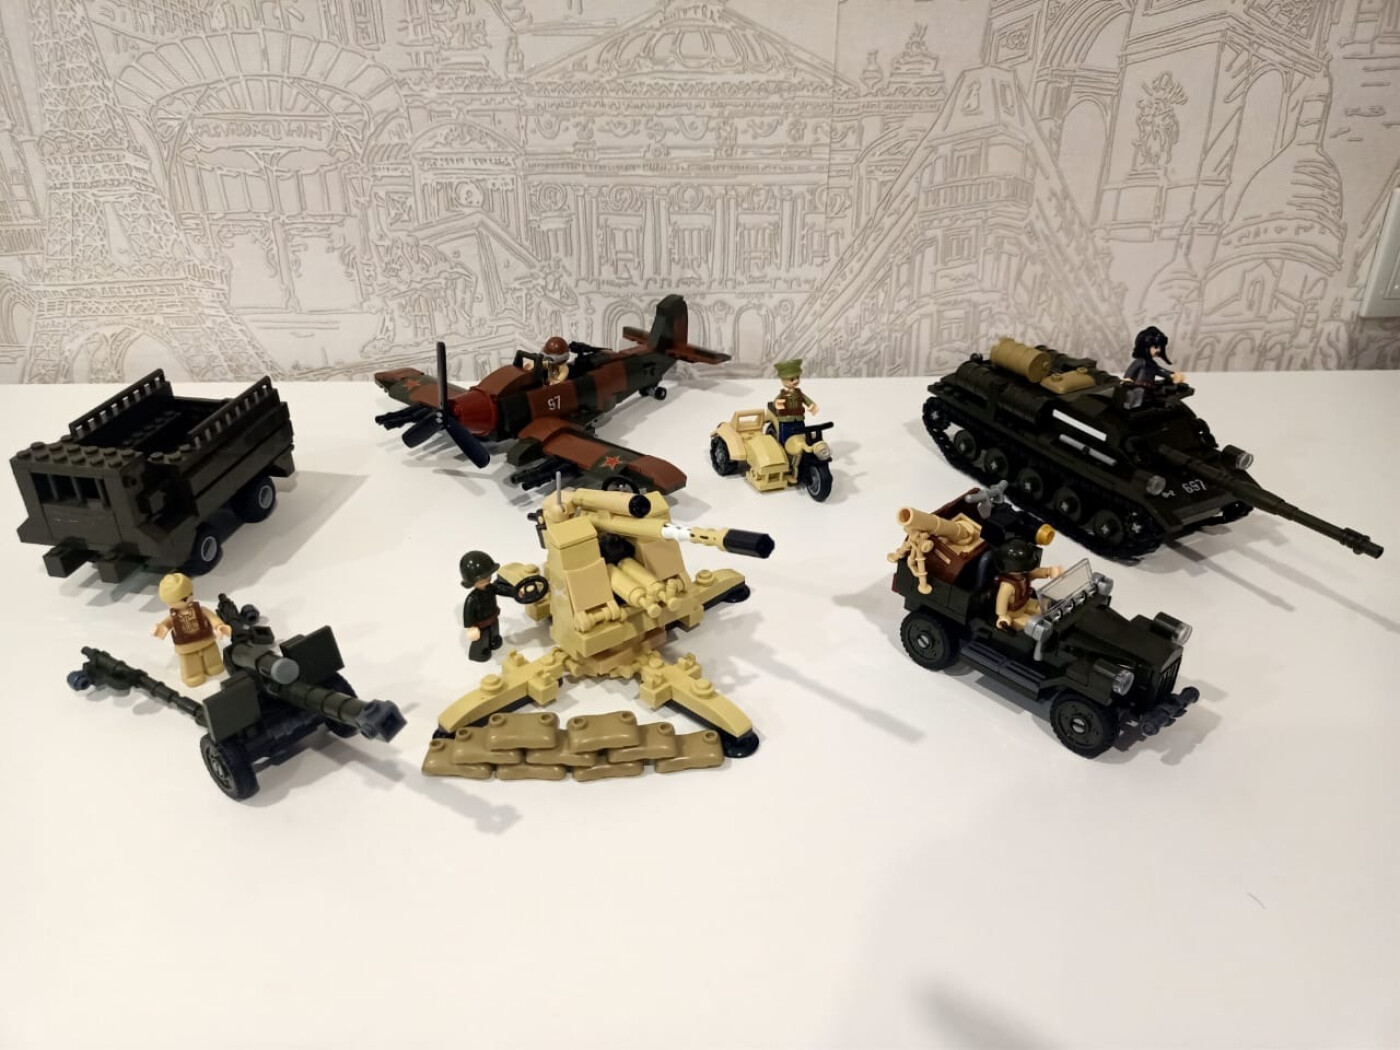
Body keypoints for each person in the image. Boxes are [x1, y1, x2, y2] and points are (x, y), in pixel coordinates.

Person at [152, 573, 232, 687]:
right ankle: (192, 675)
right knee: (190, 663)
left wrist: (219, 626)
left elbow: (212, 618)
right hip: (186, 646)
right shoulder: (173, 616)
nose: (187, 599)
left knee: (212, 656)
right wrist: (160, 628)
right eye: (182, 599)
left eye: (190, 594)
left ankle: (213, 666)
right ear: (169, 602)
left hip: (206, 639)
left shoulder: (200, 609)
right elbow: (166, 624)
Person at [993, 539, 1063, 631]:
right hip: (1014, 613)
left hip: (1026, 602)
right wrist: (1002, 616)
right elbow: (1001, 601)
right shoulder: (1007, 586)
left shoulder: (1024, 574)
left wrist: (1048, 571)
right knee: (1033, 625)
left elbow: (1035, 572)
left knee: (1046, 606)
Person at [460, 550, 516, 662]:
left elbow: (502, 589)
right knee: (482, 638)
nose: (486, 580)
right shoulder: (472, 598)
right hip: (481, 624)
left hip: (493, 618)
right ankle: (480, 652)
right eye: (481, 579)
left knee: (495, 632)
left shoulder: (491, 588)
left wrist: (515, 592)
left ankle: (494, 641)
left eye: (488, 576)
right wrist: (471, 627)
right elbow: (468, 613)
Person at [771, 359, 819, 444]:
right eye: (792, 379)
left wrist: (812, 405)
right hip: (786, 420)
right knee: (785, 437)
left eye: (798, 377)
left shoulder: (799, 393)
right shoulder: (782, 394)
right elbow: (776, 401)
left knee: (801, 435)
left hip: (799, 419)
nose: (796, 381)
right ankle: (784, 447)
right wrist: (777, 404)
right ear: (783, 380)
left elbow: (805, 399)